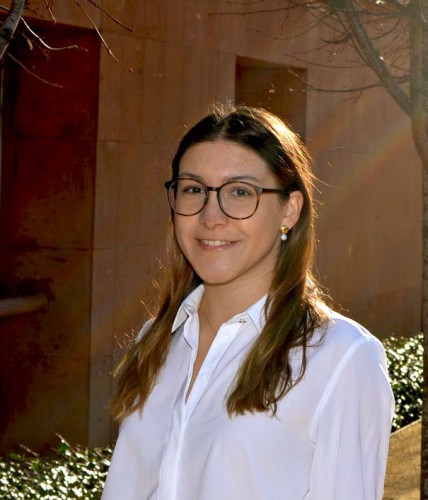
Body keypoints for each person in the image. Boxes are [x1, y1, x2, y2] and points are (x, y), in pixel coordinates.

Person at [102, 104, 394, 500]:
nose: (210, 216)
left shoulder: (340, 358)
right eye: (193, 190)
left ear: (289, 210)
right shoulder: (153, 343)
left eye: (240, 192)